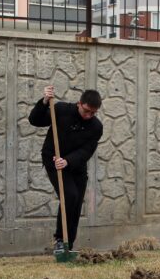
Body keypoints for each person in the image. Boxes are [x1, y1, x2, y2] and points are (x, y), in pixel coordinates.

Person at [27, 85, 103, 252]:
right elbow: (35, 120)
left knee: (75, 203)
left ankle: (69, 245)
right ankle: (60, 240)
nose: (89, 116)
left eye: (93, 113)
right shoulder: (61, 110)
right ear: (79, 103)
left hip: (76, 165)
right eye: (86, 111)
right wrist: (45, 101)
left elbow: (87, 151)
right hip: (53, 160)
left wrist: (68, 161)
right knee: (69, 195)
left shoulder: (96, 127)